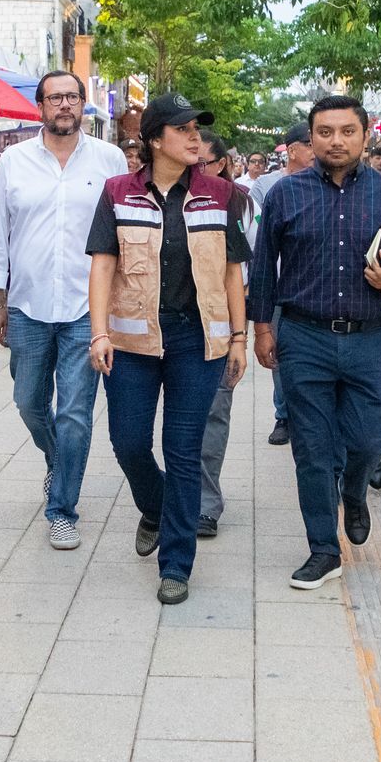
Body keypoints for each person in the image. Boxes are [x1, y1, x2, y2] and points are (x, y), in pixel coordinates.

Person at [249, 95, 381, 591]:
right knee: (312, 449)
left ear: (365, 136)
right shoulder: (286, 194)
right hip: (304, 337)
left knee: (369, 438)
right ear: (311, 138)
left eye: (347, 131)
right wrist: (262, 329)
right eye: (325, 132)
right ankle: (323, 549)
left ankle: (355, 488)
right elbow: (263, 267)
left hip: (369, 338)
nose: (336, 141)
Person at [87, 94, 249, 605]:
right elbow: (103, 265)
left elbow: (232, 272)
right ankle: (155, 507)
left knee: (183, 451)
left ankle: (176, 564)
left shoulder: (222, 194)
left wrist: (239, 337)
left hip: (196, 341)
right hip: (132, 341)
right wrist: (99, 332)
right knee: (128, 442)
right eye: (183, 129)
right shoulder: (118, 192)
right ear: (155, 139)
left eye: (198, 129)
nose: (195, 137)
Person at [0, 70, 127, 550]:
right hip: (27, 305)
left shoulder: (109, 160)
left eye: (72, 97)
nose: (64, 105)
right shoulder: (14, 162)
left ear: (83, 104)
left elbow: (123, 234)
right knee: (28, 402)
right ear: (40, 106)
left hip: (87, 308)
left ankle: (62, 509)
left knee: (74, 413)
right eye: (55, 98)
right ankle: (57, 460)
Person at [195, 129, 256, 537]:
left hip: (220, 323)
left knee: (214, 411)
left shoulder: (240, 203)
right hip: (167, 324)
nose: (195, 169)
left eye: (202, 162)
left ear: (221, 164)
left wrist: (243, 334)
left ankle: (205, 503)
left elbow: (249, 268)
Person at [248, 121, 313, 447]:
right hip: (276, 283)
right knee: (278, 353)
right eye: (310, 143)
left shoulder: (326, 183)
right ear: (292, 149)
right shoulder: (267, 185)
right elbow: (257, 233)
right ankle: (284, 415)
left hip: (311, 283)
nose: (316, 150)